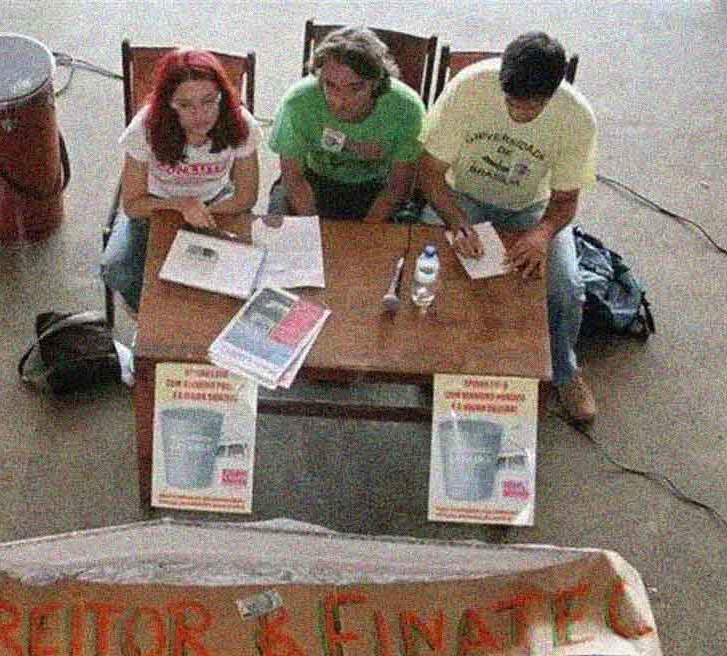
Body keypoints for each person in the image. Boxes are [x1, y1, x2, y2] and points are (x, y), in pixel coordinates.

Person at [418, 32, 598, 422]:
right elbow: (430, 173)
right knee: (435, 269)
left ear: (554, 91)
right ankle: (435, 363)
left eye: (532, 107)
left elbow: (565, 201)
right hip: (461, 196)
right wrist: (458, 222)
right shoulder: (468, 88)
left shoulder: (576, 117)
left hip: (530, 209)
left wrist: (541, 233)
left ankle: (565, 371)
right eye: (512, 102)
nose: (519, 114)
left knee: (565, 286)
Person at [101, 49, 262, 314]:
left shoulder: (241, 124)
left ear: (222, 96)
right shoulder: (144, 128)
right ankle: (147, 318)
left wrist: (199, 213)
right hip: (156, 204)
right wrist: (179, 206)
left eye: (209, 101)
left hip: (217, 202)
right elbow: (132, 205)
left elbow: (245, 197)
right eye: (185, 105)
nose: (200, 115)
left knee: (239, 280)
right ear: (168, 104)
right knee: (119, 269)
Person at [267, 27, 424, 221]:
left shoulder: (406, 107)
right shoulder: (298, 101)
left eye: (355, 88)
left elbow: (398, 187)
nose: (341, 101)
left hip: (377, 188)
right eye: (330, 86)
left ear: (376, 82)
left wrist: (362, 235)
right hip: (312, 182)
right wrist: (315, 231)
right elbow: (293, 178)